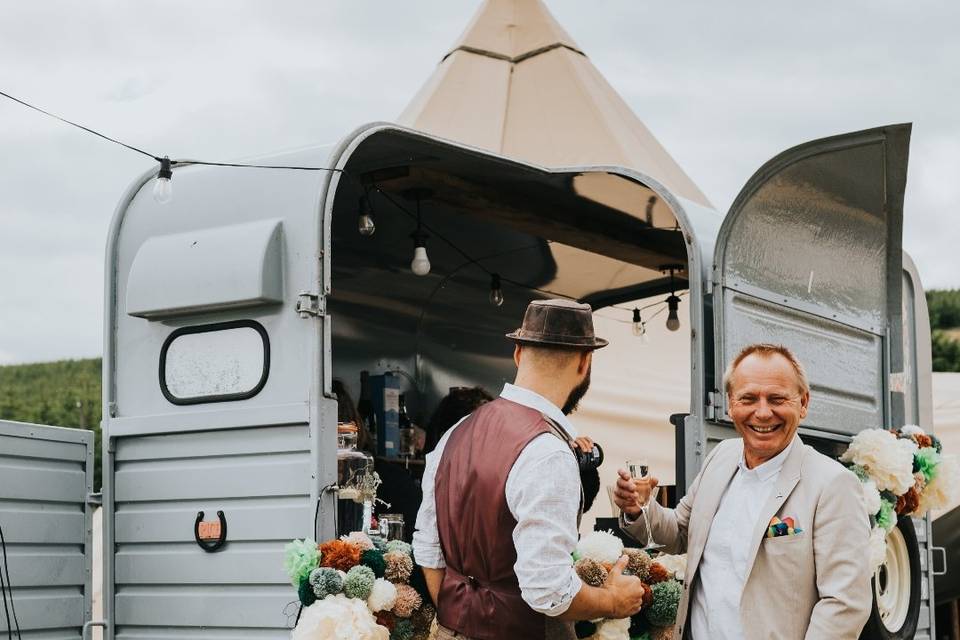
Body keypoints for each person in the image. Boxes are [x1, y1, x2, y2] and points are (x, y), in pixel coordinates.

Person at [414, 299, 646, 640]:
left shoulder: (457, 431)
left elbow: (428, 550)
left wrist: (460, 621)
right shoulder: (548, 451)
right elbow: (548, 590)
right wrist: (612, 600)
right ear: (585, 363)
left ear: (518, 353)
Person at [614, 344, 871, 640]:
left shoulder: (833, 484)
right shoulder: (721, 457)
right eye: (748, 398)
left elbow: (845, 604)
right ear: (730, 403)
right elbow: (680, 532)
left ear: (803, 403)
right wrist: (640, 508)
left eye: (776, 398)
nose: (762, 413)